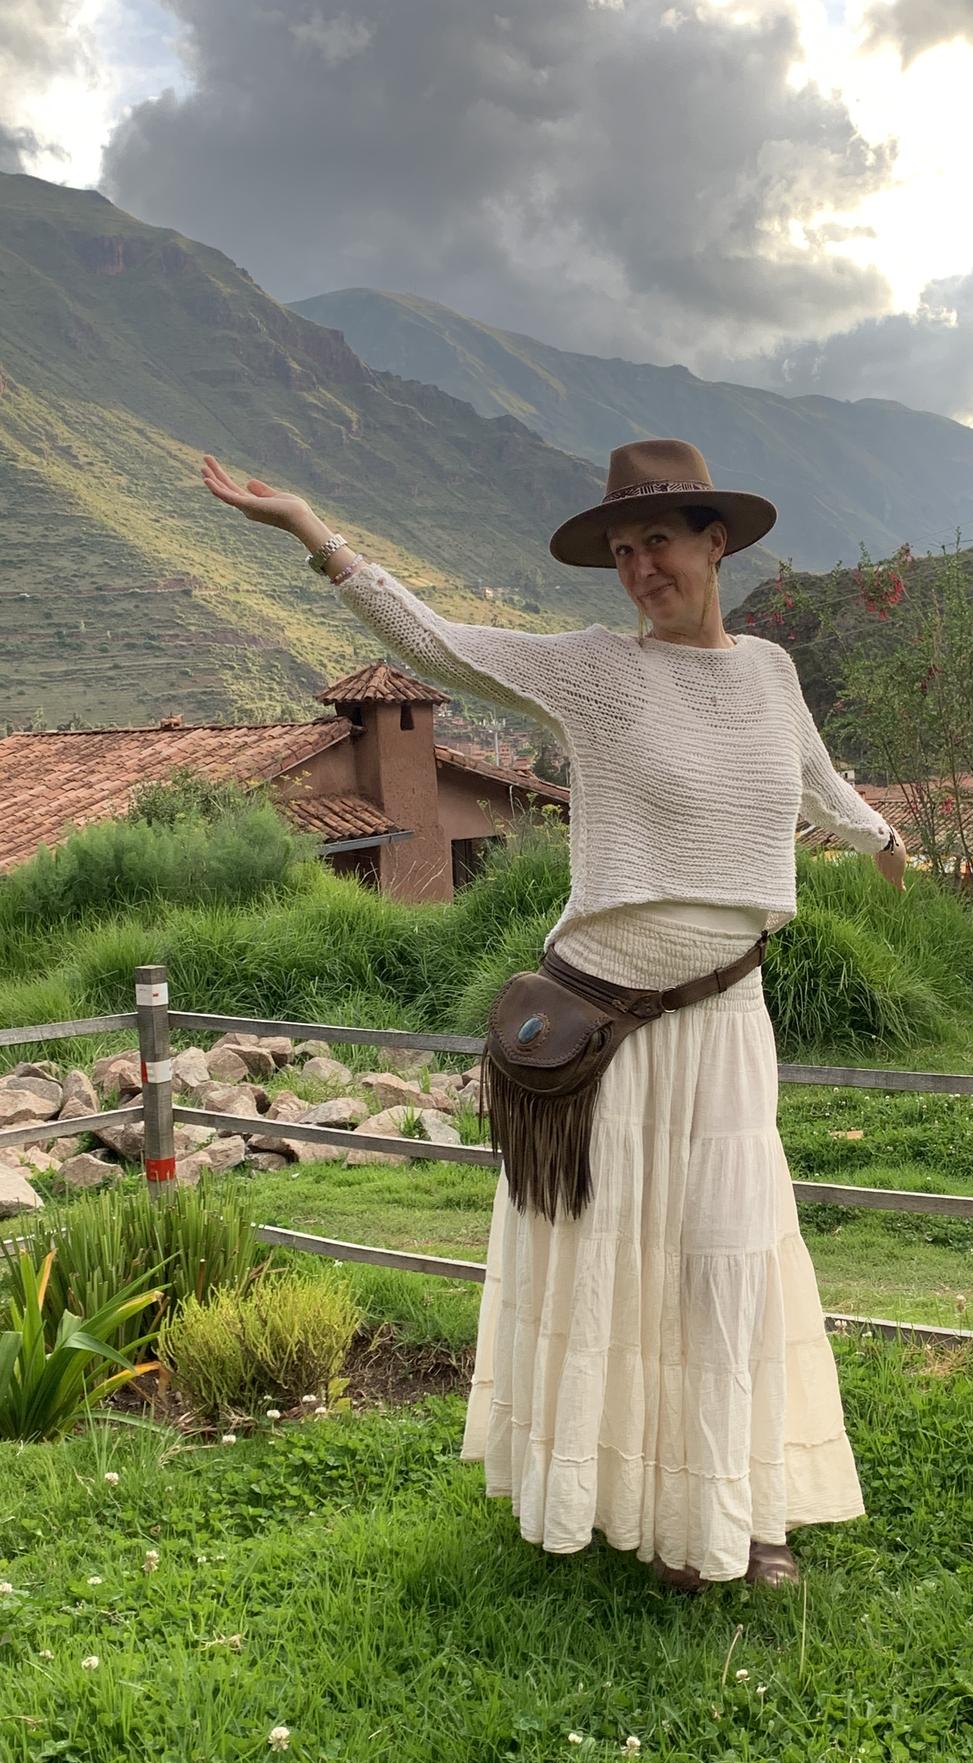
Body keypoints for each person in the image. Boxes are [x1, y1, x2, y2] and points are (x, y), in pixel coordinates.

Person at [201, 437, 908, 1591]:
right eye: (621, 551)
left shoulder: (773, 672)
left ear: (714, 541)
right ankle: (620, 1502)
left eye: (659, 543)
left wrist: (881, 843)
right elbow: (439, 646)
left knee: (722, 1260)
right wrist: (311, 531)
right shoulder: (595, 669)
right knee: (612, 1260)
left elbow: (816, 782)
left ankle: (725, 1505)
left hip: (726, 1017)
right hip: (604, 1027)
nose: (639, 568)